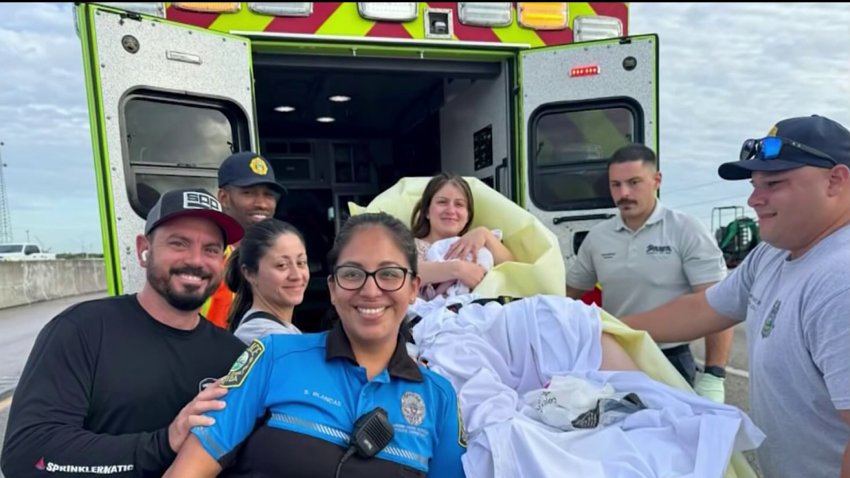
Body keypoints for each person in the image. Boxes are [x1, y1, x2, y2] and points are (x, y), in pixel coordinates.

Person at [623, 115, 850, 478]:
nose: (754, 199)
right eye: (754, 184)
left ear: (835, 180)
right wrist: (604, 326)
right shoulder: (773, 254)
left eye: (773, 183)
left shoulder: (840, 280)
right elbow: (703, 309)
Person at [164, 212, 466, 477]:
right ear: (333, 289)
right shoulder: (272, 357)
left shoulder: (439, 398)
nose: (371, 290)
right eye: (352, 274)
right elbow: (191, 469)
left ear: (414, 288)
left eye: (389, 274)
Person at [1, 188, 248, 477]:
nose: (196, 260)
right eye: (179, 244)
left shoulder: (233, 355)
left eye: (211, 249)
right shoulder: (83, 330)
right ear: (145, 249)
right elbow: (29, 455)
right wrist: (164, 443)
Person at [566, 144, 733, 403]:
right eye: (615, 185)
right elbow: (566, 293)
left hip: (669, 360)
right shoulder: (598, 238)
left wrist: (714, 375)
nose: (624, 193)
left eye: (634, 183)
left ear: (657, 180)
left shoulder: (686, 230)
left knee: (674, 438)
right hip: (614, 358)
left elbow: (720, 304)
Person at [202, 151, 286, 329]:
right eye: (249, 193)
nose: (262, 204)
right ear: (224, 198)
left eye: (268, 195)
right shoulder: (206, 257)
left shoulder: (274, 257)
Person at [410, 173, 514, 299]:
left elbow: (515, 272)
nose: (451, 210)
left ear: (468, 216)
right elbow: (399, 274)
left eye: (459, 204)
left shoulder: (479, 244)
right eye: (442, 202)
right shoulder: (407, 245)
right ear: (426, 211)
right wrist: (456, 269)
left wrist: (485, 234)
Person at [225, 218, 308, 344]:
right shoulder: (262, 335)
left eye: (301, 263)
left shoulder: (284, 330)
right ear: (249, 273)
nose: (296, 275)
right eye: (282, 265)